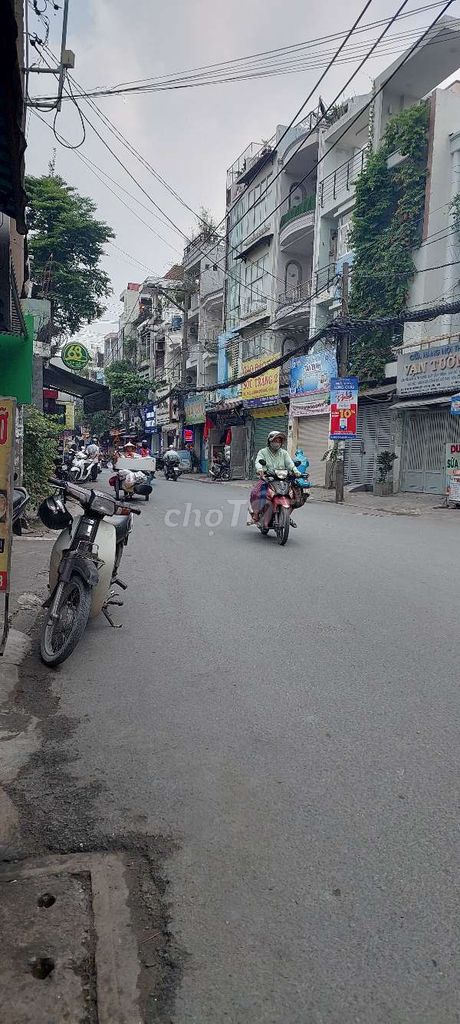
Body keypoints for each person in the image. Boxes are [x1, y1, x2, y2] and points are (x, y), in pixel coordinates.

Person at [249, 431, 301, 524]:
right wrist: (260, 470)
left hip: (283, 478)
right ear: (269, 441)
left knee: (295, 495)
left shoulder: (284, 453)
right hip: (268, 478)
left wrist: (295, 471)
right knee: (255, 493)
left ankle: (286, 515)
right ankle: (256, 515)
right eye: (275, 441)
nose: (277, 443)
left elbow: (290, 463)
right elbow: (258, 462)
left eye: (279, 441)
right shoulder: (263, 452)